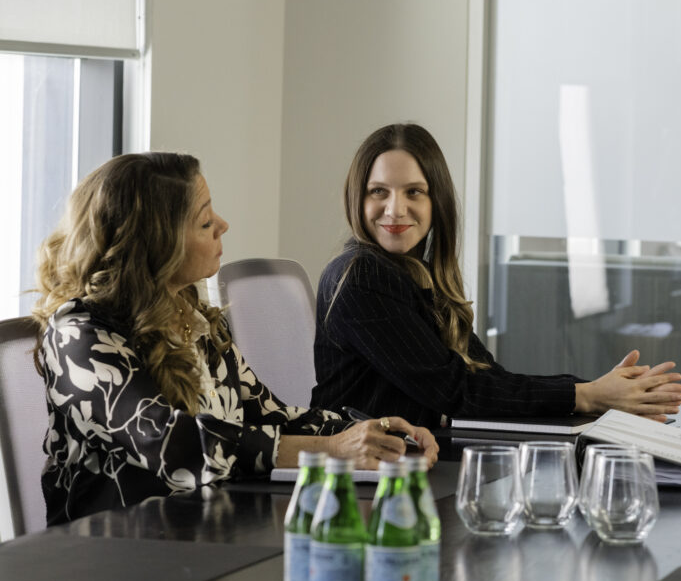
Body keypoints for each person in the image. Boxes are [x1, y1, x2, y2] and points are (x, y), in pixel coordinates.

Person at [32, 152, 437, 525]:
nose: (222, 225)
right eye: (205, 221)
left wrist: (375, 433)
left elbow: (270, 415)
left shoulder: (192, 316)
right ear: (156, 243)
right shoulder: (78, 336)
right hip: (117, 559)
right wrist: (331, 450)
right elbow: (172, 443)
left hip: (204, 534)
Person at [311, 123, 681, 426]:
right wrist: (587, 396)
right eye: (379, 191)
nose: (395, 208)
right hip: (365, 482)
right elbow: (455, 393)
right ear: (358, 199)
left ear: (435, 203)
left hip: (415, 459)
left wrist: (599, 391)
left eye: (414, 191)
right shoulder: (360, 277)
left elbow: (487, 375)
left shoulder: (413, 274)